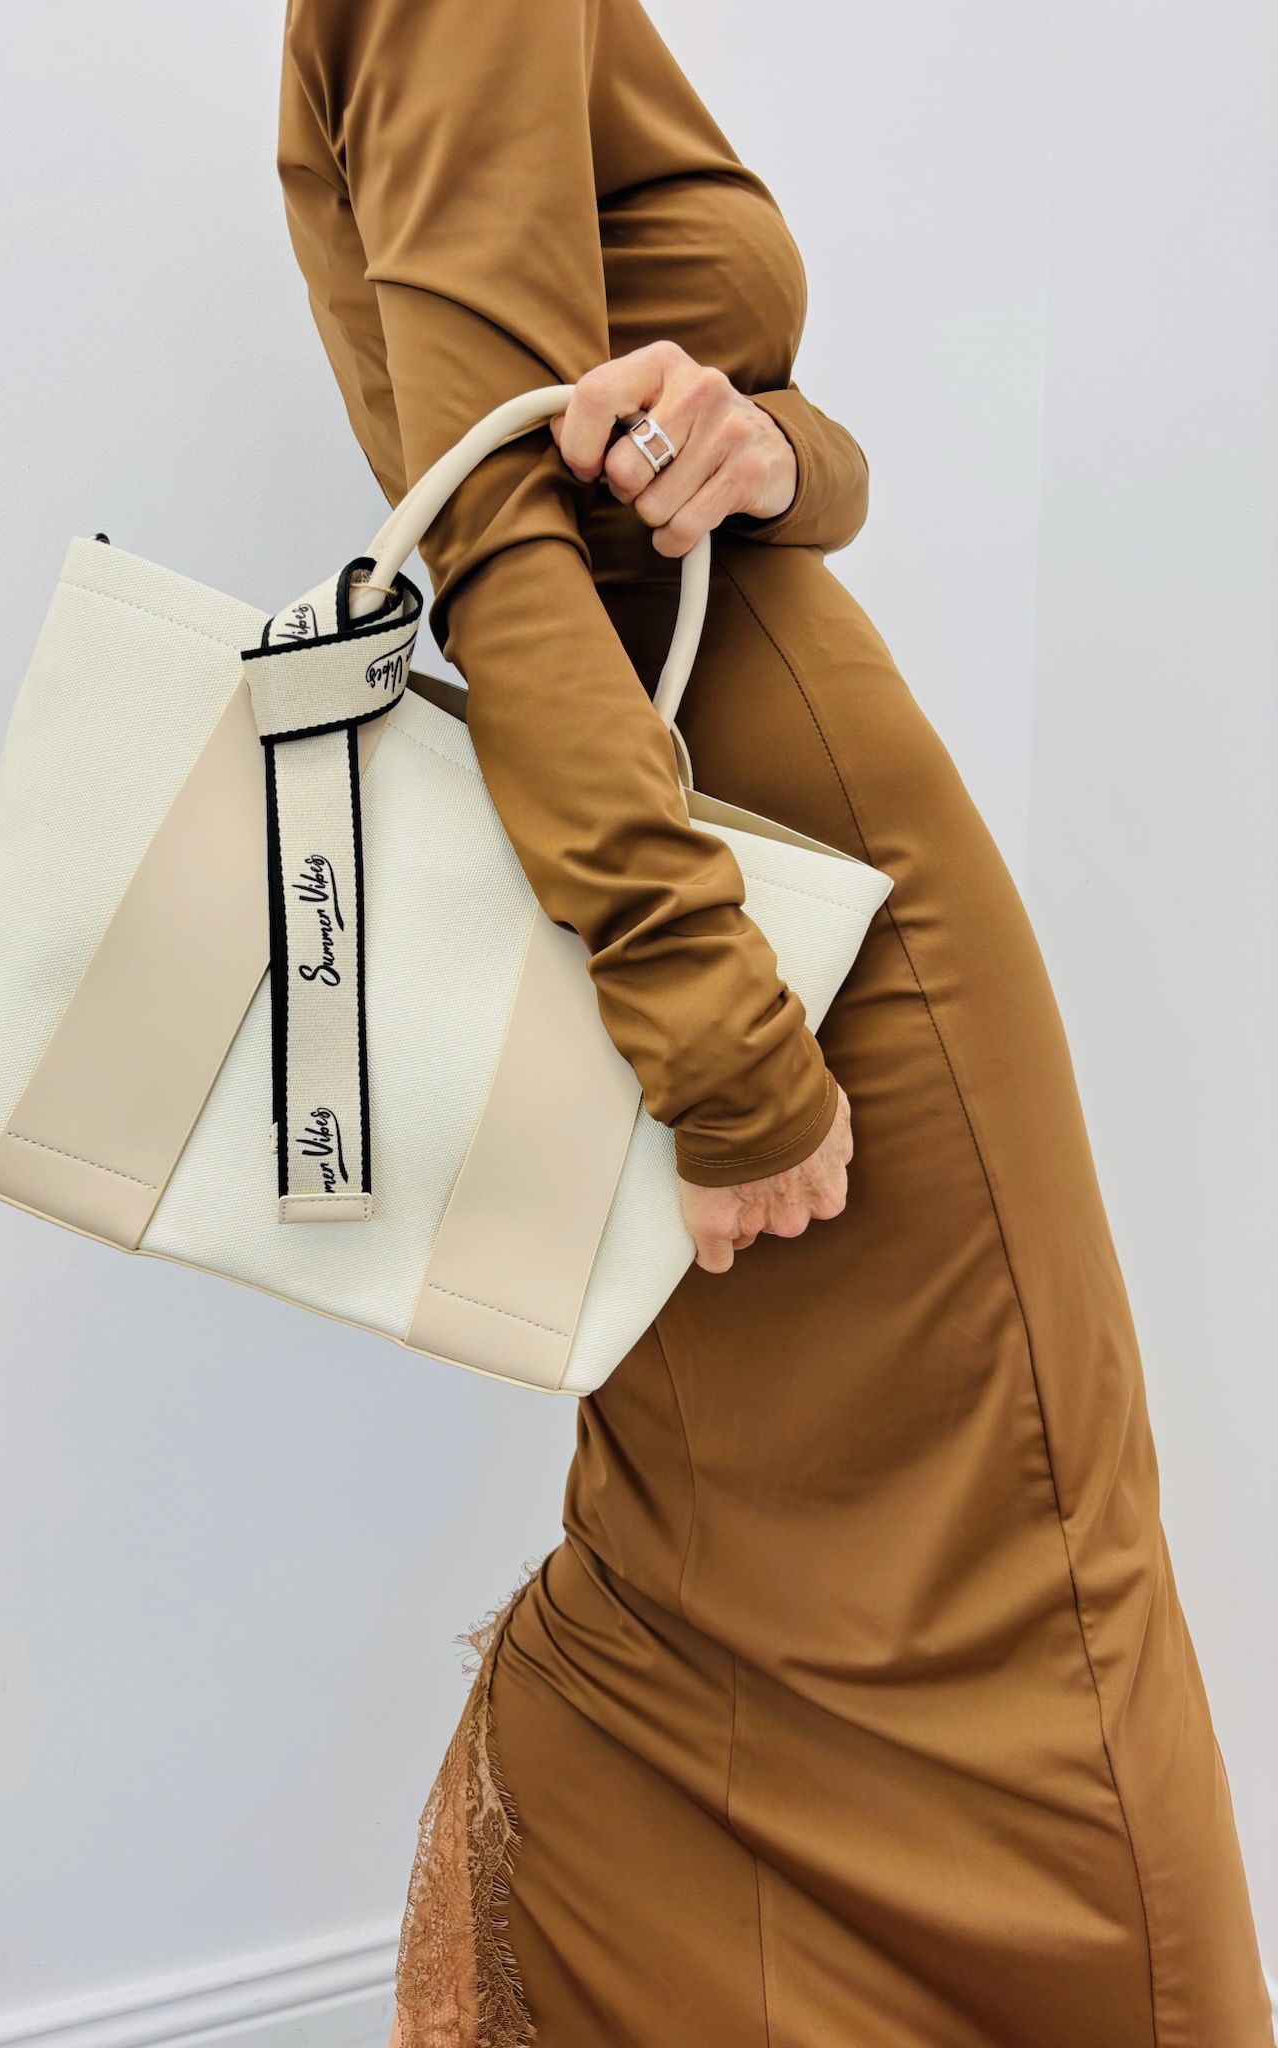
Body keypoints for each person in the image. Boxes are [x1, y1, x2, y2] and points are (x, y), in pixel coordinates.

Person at [277, 0, 1271, 2040]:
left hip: (756, 893)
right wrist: (714, 1032)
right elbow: (490, 540)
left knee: (838, 1587)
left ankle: (594, 1926)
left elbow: (738, 449)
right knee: (1031, 1621)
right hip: (773, 940)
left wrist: (768, 447)